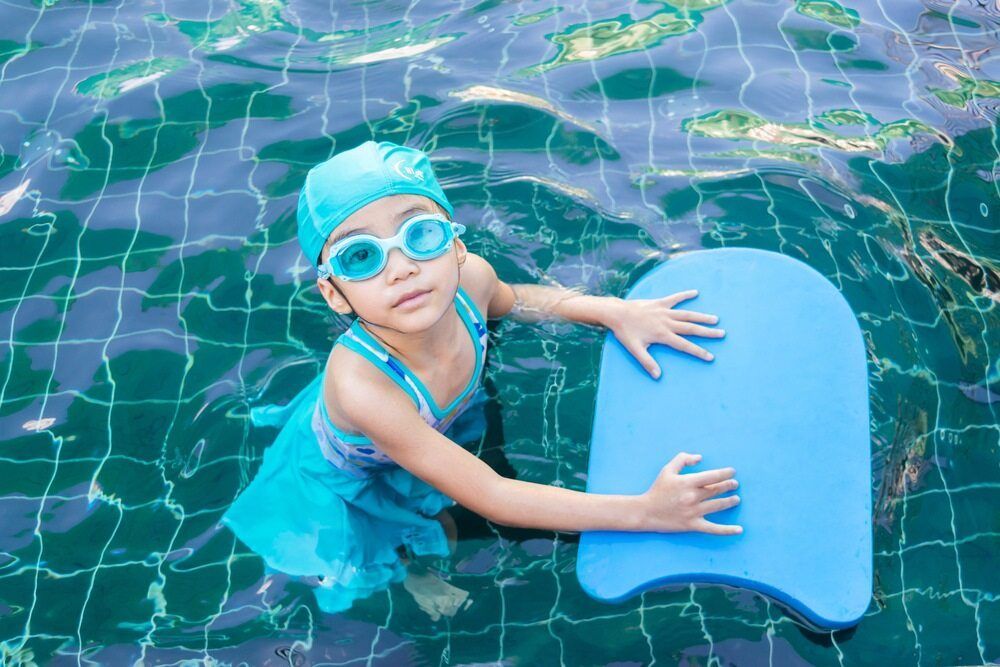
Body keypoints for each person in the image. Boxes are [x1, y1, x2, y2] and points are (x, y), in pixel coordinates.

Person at [221, 140, 742, 615]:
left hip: (433, 420)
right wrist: (647, 513)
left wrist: (610, 311)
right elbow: (492, 495)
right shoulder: (363, 389)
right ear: (335, 295)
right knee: (416, 536)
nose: (400, 267)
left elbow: (524, 302)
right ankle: (414, 575)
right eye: (361, 256)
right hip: (355, 475)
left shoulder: (473, 281)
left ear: (455, 246)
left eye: (419, 234)